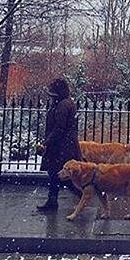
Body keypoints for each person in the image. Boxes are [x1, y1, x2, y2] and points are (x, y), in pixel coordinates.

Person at [37, 77, 83, 212]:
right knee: (57, 175)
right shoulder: (65, 103)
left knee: (60, 175)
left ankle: (81, 195)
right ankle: (53, 200)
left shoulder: (62, 105)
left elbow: (59, 128)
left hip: (60, 147)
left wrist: (47, 142)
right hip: (64, 145)